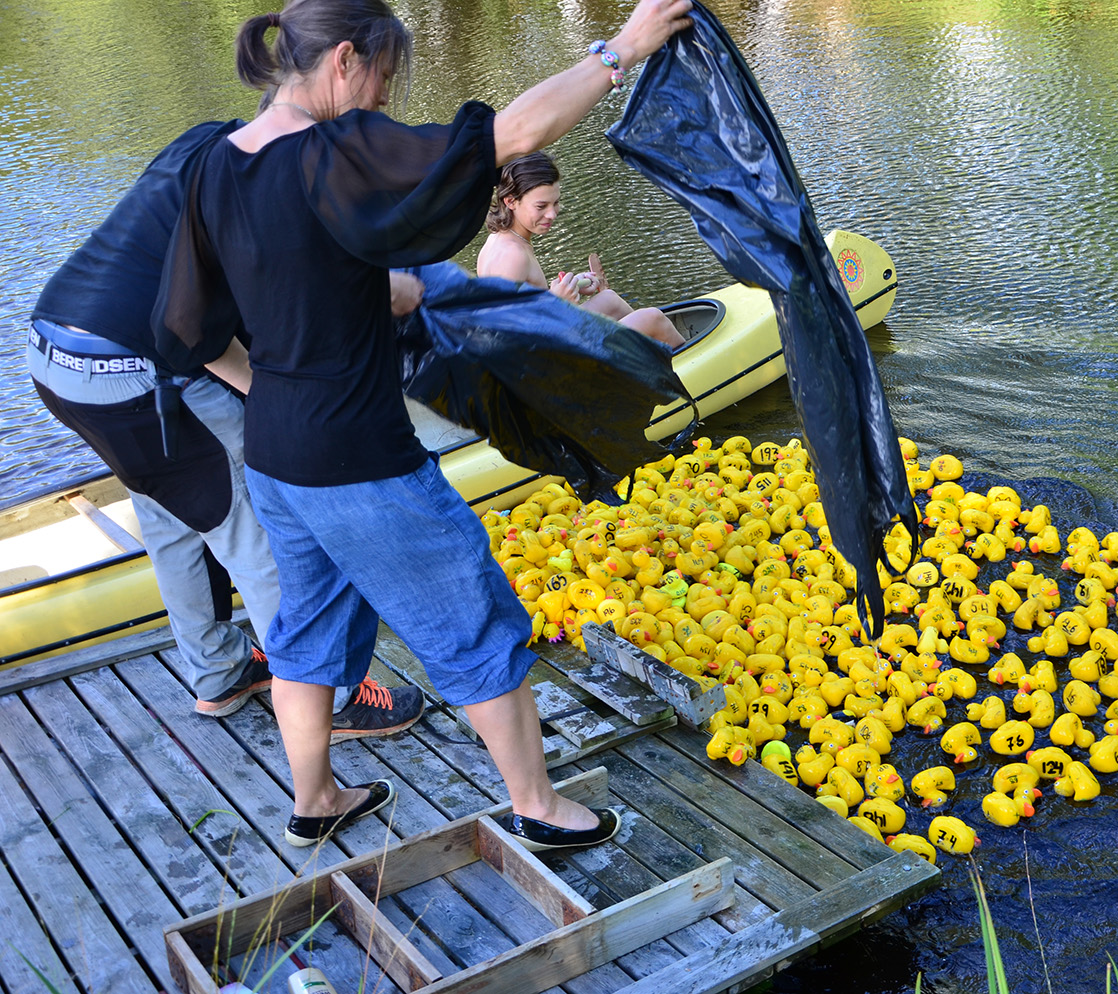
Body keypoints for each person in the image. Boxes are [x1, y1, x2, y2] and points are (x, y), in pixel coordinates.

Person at [154, 0, 692, 849]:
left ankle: (316, 799)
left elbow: (185, 326)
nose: (381, 99)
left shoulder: (213, 165)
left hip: (277, 455)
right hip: (361, 457)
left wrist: (277, 378)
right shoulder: (331, 150)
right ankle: (541, 809)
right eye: (381, 77)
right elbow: (508, 138)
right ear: (342, 61)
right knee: (476, 619)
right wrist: (620, 49)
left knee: (306, 628)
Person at [27, 118, 423, 738]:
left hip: (57, 354)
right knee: (256, 527)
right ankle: (339, 698)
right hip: (134, 370)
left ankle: (219, 671)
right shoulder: (267, 198)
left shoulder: (211, 141)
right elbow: (206, 332)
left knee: (174, 514)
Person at [476, 151, 686, 349]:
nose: (552, 214)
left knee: (609, 300)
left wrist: (571, 286)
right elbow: (504, 338)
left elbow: (524, 308)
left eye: (555, 203)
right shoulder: (511, 257)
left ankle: (646, 360)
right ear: (511, 201)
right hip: (546, 366)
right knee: (652, 318)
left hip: (549, 343)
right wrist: (557, 303)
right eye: (541, 206)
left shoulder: (501, 239)